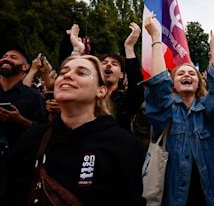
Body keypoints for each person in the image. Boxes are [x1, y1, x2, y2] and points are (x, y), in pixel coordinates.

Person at [4, 55, 141, 205]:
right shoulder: (31, 139)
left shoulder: (121, 144)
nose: (68, 75)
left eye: (82, 73)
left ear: (101, 91)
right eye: (63, 72)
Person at [143, 14, 214, 205]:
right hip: (175, 197)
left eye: (192, 73)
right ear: (173, 84)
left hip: (212, 197)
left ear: (199, 82)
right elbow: (159, 86)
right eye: (181, 74)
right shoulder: (166, 112)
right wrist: (155, 39)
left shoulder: (208, 110)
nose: (187, 75)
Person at [0, 47, 47, 199]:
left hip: (15, 170)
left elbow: (43, 130)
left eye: (13, 57)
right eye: (5, 56)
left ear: (25, 67)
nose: (6, 58)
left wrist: (20, 120)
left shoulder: (34, 97)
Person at [99, 22, 144, 133]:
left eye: (114, 64)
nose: (108, 65)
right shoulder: (88, 97)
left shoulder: (124, 100)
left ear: (121, 75)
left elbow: (136, 88)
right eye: (104, 63)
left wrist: (129, 47)